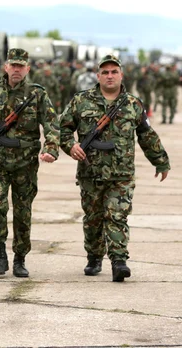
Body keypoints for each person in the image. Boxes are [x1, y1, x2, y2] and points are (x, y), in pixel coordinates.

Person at [59, 54, 170, 282]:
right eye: (105, 72)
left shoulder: (133, 104)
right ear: (98, 76)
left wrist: (160, 161)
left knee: (117, 215)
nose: (110, 76)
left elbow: (146, 135)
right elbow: (63, 129)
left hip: (122, 174)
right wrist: (71, 146)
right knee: (93, 219)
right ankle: (94, 256)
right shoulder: (81, 101)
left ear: (121, 75)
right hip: (90, 172)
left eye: (114, 72)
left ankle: (119, 261)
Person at [0, 48, 60, 278]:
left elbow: (52, 124)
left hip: (25, 164)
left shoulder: (37, 94)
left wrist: (51, 148)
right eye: (12, 65)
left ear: (27, 69)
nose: (16, 70)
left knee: (23, 213)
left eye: (20, 66)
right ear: (6, 67)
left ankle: (20, 259)